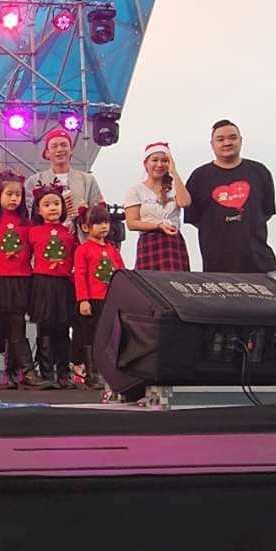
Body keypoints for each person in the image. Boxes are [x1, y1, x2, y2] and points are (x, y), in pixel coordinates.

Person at [185, 120, 276, 285]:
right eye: (220, 139)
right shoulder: (199, 177)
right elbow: (195, 219)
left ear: (241, 140)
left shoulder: (259, 171)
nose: (227, 143)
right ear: (212, 144)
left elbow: (266, 212)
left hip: (262, 265)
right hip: (217, 270)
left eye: (232, 137)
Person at [0, 171, 50, 388]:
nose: (14, 199)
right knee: (9, 325)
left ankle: (17, 372)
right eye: (9, 194)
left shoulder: (27, 223)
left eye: (18, 195)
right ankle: (23, 371)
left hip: (22, 280)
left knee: (16, 324)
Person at [28, 180, 77, 389]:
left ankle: (64, 374)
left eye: (56, 204)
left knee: (63, 329)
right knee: (45, 329)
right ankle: (46, 373)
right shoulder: (33, 232)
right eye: (47, 205)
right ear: (38, 210)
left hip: (64, 285)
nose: (52, 208)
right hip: (42, 283)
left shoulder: (69, 233)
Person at [73, 204, 123, 390]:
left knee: (109, 336)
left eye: (106, 222)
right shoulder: (83, 249)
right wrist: (83, 300)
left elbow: (121, 273)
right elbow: (80, 275)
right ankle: (91, 373)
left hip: (110, 300)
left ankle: (108, 372)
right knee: (90, 336)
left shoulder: (112, 249)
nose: (104, 226)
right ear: (86, 227)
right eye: (98, 223)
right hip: (93, 299)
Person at [25, 127, 105, 241]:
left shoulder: (87, 180)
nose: (60, 149)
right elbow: (28, 215)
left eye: (64, 145)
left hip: (81, 241)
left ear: (71, 150)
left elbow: (100, 212)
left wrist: (85, 212)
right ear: (47, 153)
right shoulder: (35, 181)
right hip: (48, 241)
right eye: (54, 146)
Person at [124, 142, 192, 271]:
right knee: (148, 282)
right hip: (149, 243)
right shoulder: (136, 190)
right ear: (146, 163)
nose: (159, 165)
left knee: (176, 281)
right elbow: (131, 223)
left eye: (164, 161)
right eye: (155, 160)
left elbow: (185, 203)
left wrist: (174, 172)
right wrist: (158, 226)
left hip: (173, 243)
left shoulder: (174, 187)